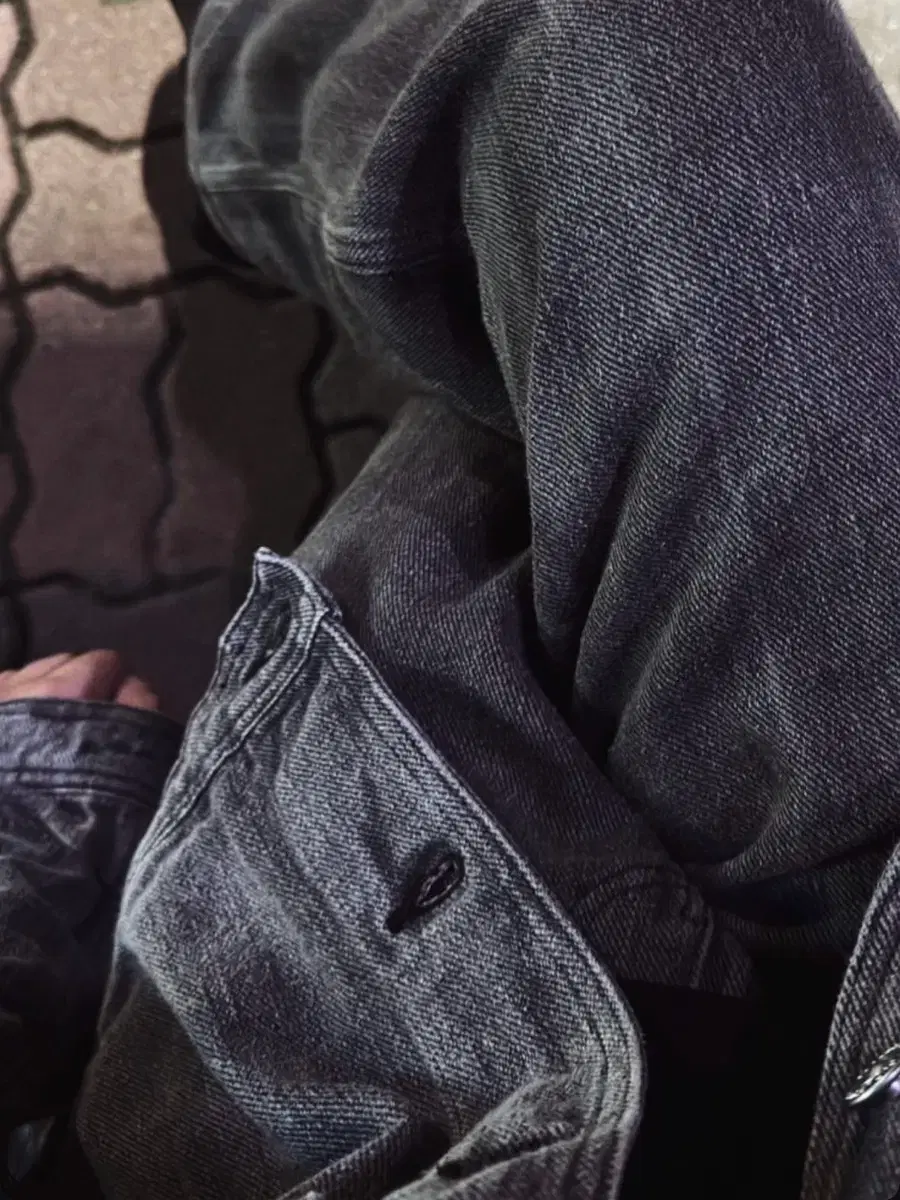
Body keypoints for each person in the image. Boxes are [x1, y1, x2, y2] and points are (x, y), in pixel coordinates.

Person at [3, 0, 900, 1195]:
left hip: (361, 1078)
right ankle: (278, 105)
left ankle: (272, 119)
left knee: (558, 302)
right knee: (617, 50)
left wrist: (29, 850)